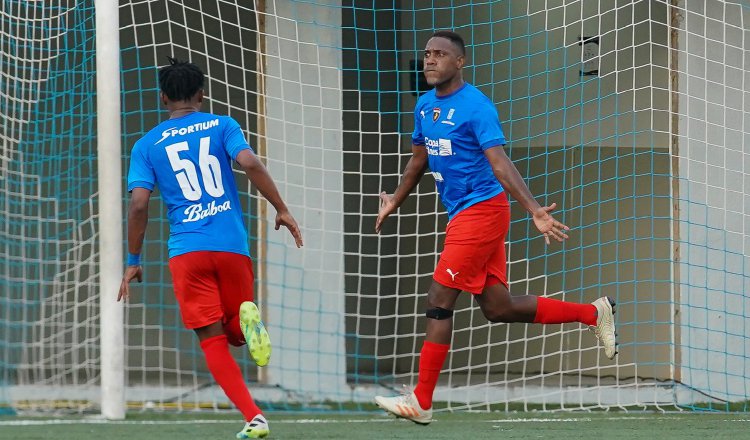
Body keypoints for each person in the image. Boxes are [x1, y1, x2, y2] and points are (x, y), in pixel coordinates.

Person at [373, 31, 616, 425]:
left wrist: (535, 209)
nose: (430, 60)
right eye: (427, 54)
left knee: (438, 298)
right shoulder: (423, 106)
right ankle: (592, 313)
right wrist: (395, 200)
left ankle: (422, 400)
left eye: (440, 55)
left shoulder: (477, 107)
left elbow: (501, 164)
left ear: (460, 62)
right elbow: (418, 160)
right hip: (464, 215)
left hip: (482, 213)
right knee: (497, 307)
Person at [118, 57, 303, 439]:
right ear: (201, 94)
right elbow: (250, 163)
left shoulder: (146, 144)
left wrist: (133, 260)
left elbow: (138, 204)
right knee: (237, 328)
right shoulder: (223, 125)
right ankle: (246, 322)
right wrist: (281, 209)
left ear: (162, 97)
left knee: (212, 337)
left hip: (187, 251)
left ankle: (254, 417)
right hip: (231, 244)